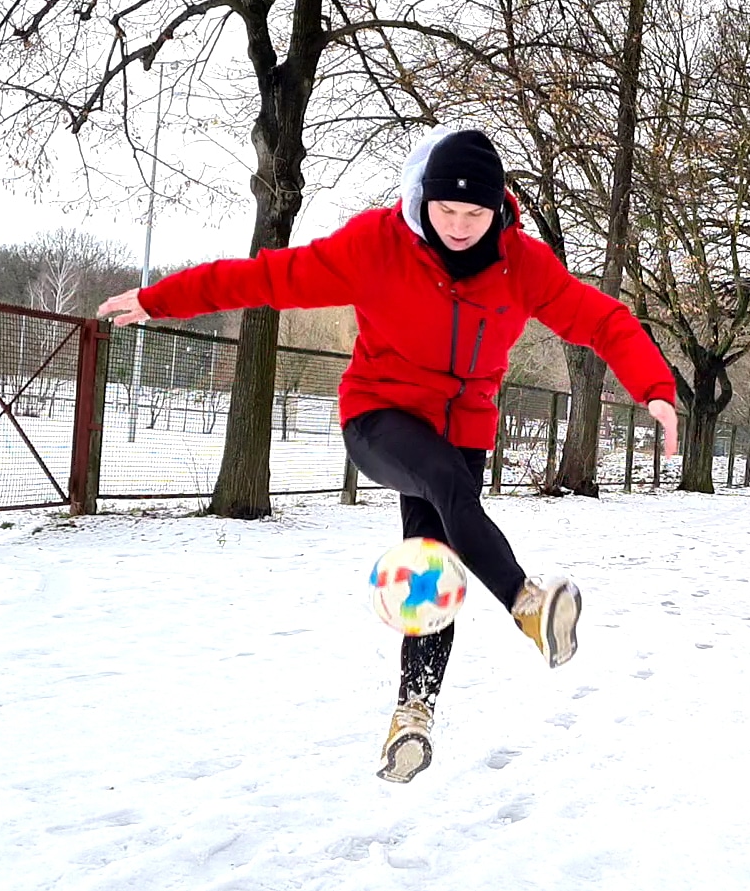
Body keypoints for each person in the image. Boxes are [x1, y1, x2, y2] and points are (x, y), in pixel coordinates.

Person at [98, 126, 678, 784]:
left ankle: (413, 713)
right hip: (381, 416)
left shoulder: (522, 263)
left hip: (464, 428)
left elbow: (600, 319)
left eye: (474, 213)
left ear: (498, 210)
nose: (459, 226)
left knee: (433, 569)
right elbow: (264, 277)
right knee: (441, 483)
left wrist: (654, 390)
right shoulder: (376, 245)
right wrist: (156, 297)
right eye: (446, 210)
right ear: (423, 199)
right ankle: (525, 602)